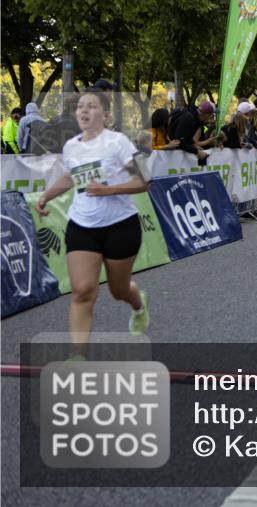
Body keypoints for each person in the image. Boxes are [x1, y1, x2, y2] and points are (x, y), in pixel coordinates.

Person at [34, 88, 150, 356]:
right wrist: (46, 196)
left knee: (118, 290)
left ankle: (139, 305)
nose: (84, 111)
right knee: (82, 291)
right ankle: (78, 356)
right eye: (80, 107)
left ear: (106, 114)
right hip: (82, 225)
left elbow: (144, 181)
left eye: (92, 106)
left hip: (120, 225)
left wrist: (108, 190)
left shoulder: (119, 142)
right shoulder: (71, 146)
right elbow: (71, 177)